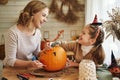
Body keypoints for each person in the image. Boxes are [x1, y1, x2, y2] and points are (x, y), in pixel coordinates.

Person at [3, 0, 49, 68]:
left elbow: (37, 53)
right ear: (33, 12)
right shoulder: (13, 33)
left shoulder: (38, 32)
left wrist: (44, 52)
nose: (45, 20)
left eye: (46, 17)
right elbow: (10, 60)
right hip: (11, 71)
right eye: (44, 15)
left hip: (28, 69)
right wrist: (30, 64)